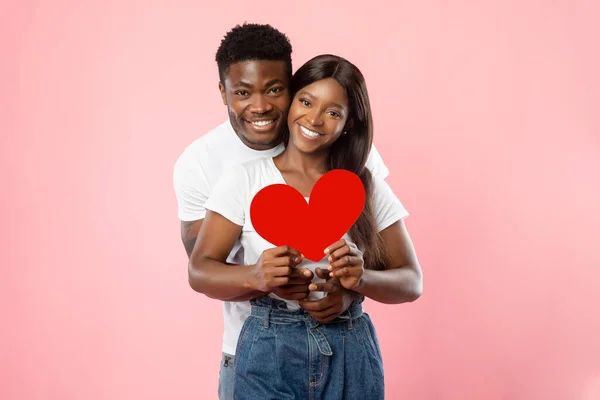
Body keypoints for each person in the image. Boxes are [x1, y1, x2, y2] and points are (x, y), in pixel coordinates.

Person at [173, 24, 391, 399]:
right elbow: (202, 268)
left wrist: (352, 291)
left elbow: (393, 264)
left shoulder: (349, 157)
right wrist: (262, 278)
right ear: (223, 91)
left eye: (274, 90)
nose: (260, 106)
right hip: (255, 342)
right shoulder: (204, 164)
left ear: (291, 86)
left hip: (346, 340)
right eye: (242, 92)